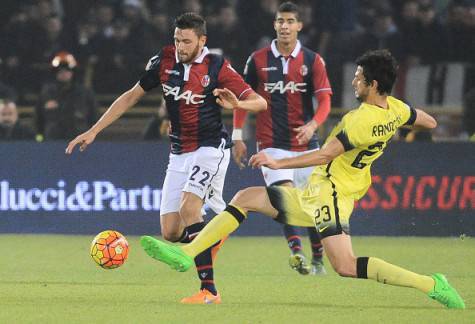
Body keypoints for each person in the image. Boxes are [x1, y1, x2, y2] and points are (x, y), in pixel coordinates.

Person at [139, 49, 465, 309]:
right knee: (245, 198)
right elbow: (430, 122)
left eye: (359, 78)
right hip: (320, 190)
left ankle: (432, 284)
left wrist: (276, 160)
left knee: (346, 266)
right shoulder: (394, 108)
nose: (354, 83)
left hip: (331, 196)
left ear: (373, 85)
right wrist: (397, 123)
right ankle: (187, 253)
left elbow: (324, 155)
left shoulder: (359, 120)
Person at [66, 12, 267, 304]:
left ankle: (209, 291)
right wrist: (95, 130)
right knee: (171, 232)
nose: (181, 47)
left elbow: (260, 102)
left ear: (202, 41)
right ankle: (211, 235)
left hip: (210, 148)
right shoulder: (163, 61)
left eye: (186, 41)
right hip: (178, 152)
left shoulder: (218, 66)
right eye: (177, 40)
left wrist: (238, 103)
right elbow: (130, 96)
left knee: (189, 207)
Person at [233, 2, 332, 275]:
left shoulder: (313, 61)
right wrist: (237, 136)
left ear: (300, 26)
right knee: (285, 198)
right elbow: (243, 99)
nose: (285, 26)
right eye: (280, 21)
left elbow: (325, 100)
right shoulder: (258, 60)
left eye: (290, 21)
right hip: (271, 145)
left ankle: (318, 259)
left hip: (306, 145)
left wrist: (313, 125)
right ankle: (297, 252)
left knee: (311, 203)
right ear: (274, 25)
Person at [36, 51, 98, 140]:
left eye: (67, 70)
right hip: (52, 142)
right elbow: (39, 119)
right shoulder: (46, 93)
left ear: (73, 72)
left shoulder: (85, 93)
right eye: (60, 70)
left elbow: (94, 117)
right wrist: (40, 138)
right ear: (55, 73)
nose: (63, 73)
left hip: (78, 141)